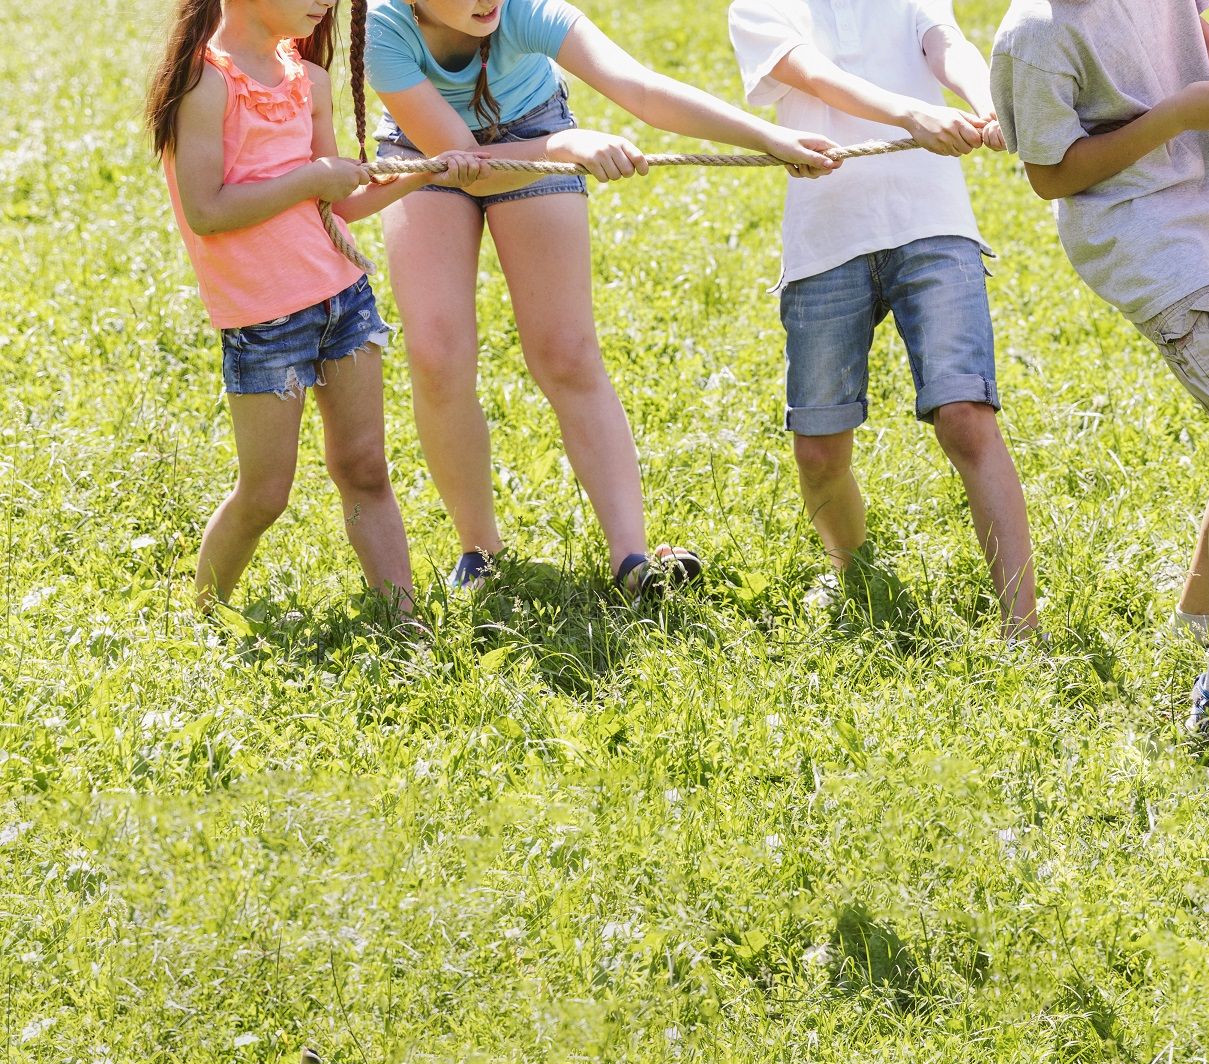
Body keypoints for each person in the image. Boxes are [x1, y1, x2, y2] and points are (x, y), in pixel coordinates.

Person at [362, 0, 841, 596]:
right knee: (437, 355)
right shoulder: (383, 29)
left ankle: (632, 559)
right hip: (428, 157)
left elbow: (641, 89)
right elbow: (467, 163)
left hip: (533, 127)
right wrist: (568, 147)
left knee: (565, 351)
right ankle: (480, 552)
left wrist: (772, 137)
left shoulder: (523, 9)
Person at [993, 0, 1209, 731]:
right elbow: (1051, 175)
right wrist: (1176, 116)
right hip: (1140, 233)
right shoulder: (1036, 34)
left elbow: (1192, 28)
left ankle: (1199, 618)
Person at [148, 0, 481, 614]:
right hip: (265, 323)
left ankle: (405, 624)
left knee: (365, 468)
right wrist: (312, 179)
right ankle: (203, 617)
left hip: (343, 300)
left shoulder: (310, 78)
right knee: (265, 493)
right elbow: (207, 212)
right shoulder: (206, 83)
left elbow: (340, 204)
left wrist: (425, 172)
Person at [727, 0, 1040, 637]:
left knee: (966, 417)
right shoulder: (757, 7)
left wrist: (987, 101)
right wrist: (910, 114)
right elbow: (812, 73)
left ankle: (1023, 629)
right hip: (825, 239)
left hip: (931, 221)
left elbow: (942, 41)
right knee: (819, 451)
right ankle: (852, 569)